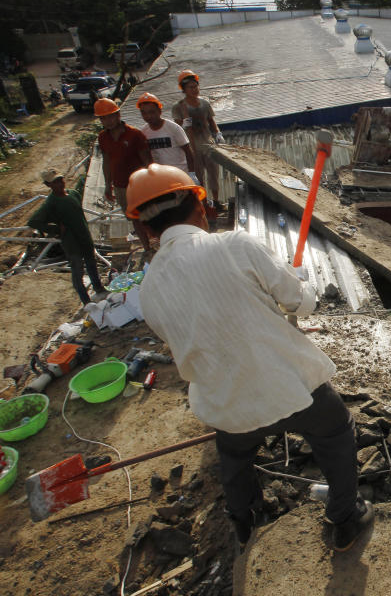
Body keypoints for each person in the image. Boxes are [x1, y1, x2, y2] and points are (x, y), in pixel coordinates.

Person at [127, 163, 373, 551]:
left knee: (234, 454)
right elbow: (302, 303)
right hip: (289, 385)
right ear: (200, 208)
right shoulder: (234, 245)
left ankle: (245, 520)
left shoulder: (149, 291)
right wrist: (295, 281)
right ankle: (345, 518)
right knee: (335, 430)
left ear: (146, 229)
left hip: (226, 402)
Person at [28, 168, 108, 305]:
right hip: (71, 242)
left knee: (91, 263)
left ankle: (99, 289)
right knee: (77, 270)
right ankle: (86, 300)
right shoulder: (51, 203)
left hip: (84, 236)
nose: (60, 184)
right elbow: (34, 221)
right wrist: (56, 229)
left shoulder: (73, 194)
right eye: (55, 182)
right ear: (49, 185)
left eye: (61, 180)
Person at [95, 97, 153, 252]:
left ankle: (159, 242)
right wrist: (108, 184)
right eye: (103, 118)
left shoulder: (135, 135)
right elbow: (107, 161)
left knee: (150, 215)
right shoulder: (103, 137)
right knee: (134, 218)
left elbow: (147, 160)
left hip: (139, 184)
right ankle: (147, 248)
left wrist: (152, 182)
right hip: (120, 186)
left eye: (110, 116)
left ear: (118, 115)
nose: (107, 121)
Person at [172, 70, 225, 211]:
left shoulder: (204, 104)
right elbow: (178, 128)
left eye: (196, 86)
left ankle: (216, 200)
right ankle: (204, 203)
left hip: (208, 143)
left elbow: (211, 121)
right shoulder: (179, 107)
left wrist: (218, 134)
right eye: (190, 87)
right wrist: (185, 122)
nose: (194, 90)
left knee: (213, 173)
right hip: (192, 146)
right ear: (184, 89)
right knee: (198, 176)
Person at [137, 92, 197, 183]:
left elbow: (188, 152)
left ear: (159, 111)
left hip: (179, 175)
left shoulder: (173, 128)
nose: (148, 116)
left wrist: (192, 174)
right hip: (159, 178)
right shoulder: (144, 132)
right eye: (144, 113)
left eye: (152, 112)